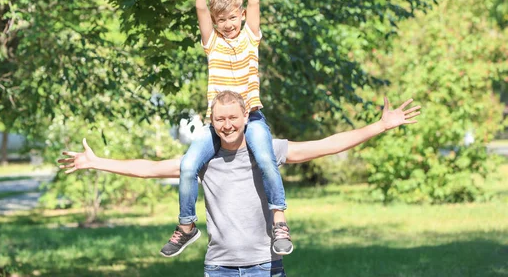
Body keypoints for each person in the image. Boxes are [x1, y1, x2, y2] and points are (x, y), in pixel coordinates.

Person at [58, 90, 421, 276]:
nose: (227, 125)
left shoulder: (269, 150)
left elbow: (326, 146)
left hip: (266, 263)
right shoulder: (201, 160)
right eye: (219, 120)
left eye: (233, 118)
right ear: (211, 122)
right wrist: (96, 162)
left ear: (246, 117)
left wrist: (380, 126)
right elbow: (150, 168)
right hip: (219, 266)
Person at [165, 0, 291, 258]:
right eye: (222, 20)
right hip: (217, 124)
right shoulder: (213, 44)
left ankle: (279, 220)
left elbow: (254, 2)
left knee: (265, 159)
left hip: (251, 118)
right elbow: (199, 6)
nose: (228, 24)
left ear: (241, 17)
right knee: (188, 164)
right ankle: (187, 226)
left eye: (233, 17)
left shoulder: (251, 37)